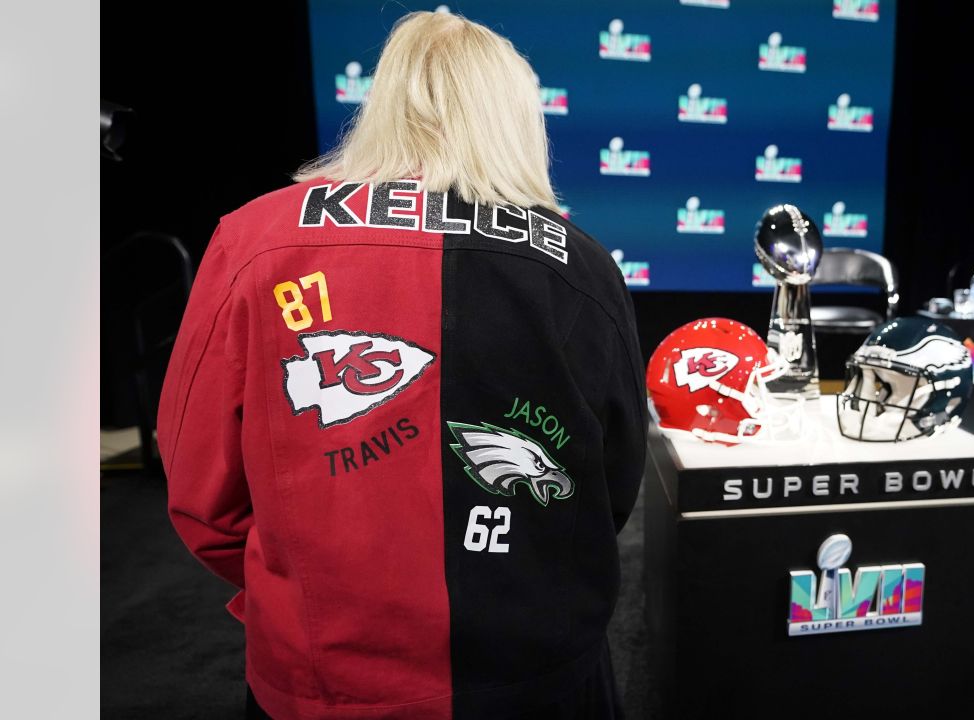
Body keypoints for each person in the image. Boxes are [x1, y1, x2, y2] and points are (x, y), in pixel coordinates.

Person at [157, 10, 646, 720]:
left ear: (383, 102)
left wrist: (308, 589)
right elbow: (611, 490)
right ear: (516, 119)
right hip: (538, 675)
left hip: (323, 681)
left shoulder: (252, 241)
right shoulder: (585, 266)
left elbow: (202, 497)